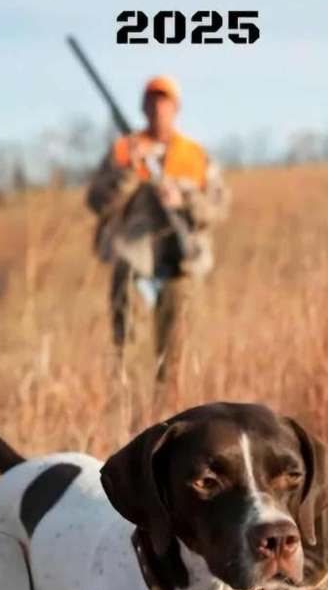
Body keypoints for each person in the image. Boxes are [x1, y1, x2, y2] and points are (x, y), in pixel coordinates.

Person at [86, 76, 229, 382]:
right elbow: (97, 201)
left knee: (177, 360)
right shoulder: (124, 151)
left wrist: (184, 199)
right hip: (133, 266)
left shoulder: (194, 154)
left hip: (182, 267)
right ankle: (134, 420)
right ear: (142, 106)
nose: (157, 107)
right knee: (129, 356)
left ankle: (172, 418)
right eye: (151, 100)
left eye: (163, 100)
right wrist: (127, 173)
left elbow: (218, 207)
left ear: (176, 107)